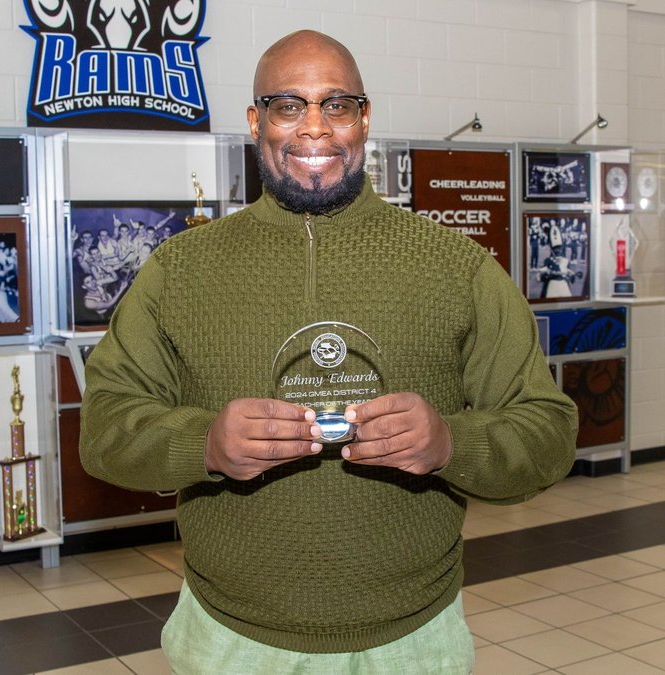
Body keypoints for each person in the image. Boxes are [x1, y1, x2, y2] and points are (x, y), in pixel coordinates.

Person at [79, 30, 577, 674]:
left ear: (364, 119)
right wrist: (204, 444)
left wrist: (450, 443)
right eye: (288, 105)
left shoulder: (457, 267)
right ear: (256, 121)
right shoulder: (179, 269)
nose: (314, 127)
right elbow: (105, 427)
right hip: (230, 640)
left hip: (413, 640)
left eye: (337, 105)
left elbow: (548, 432)